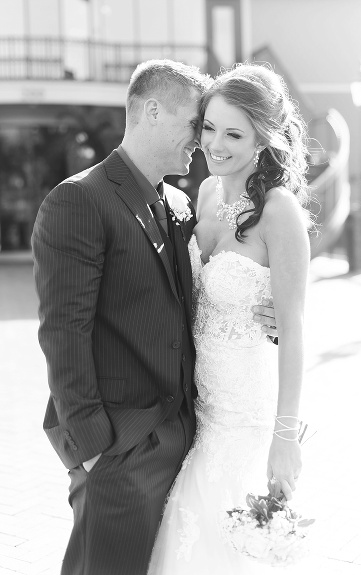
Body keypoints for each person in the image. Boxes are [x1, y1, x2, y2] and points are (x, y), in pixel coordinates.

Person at [31, 59, 210, 575]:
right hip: (122, 449)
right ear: (153, 110)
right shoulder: (79, 199)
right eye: (194, 123)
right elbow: (63, 332)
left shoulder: (177, 202)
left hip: (183, 438)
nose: (200, 139)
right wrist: (94, 452)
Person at [147, 63, 311, 573]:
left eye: (234, 133)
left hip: (247, 418)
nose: (215, 144)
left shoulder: (280, 211)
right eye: (209, 128)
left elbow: (296, 329)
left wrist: (285, 439)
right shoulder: (207, 194)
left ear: (263, 140)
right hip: (200, 409)